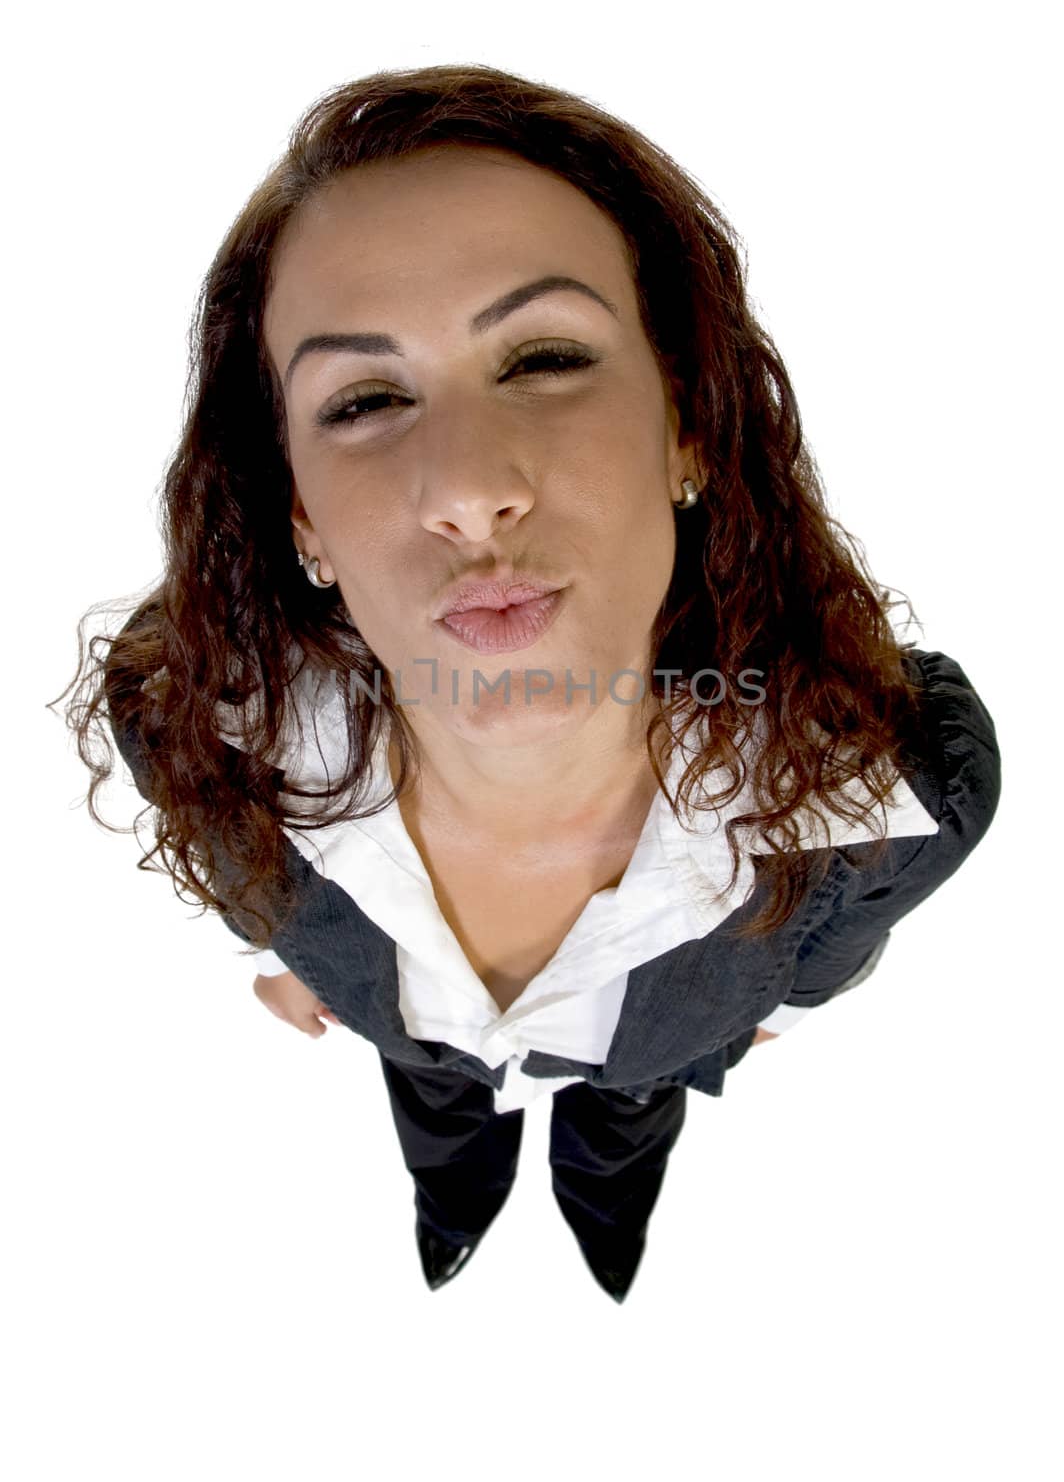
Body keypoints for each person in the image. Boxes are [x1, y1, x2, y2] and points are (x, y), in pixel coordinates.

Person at [53, 63, 1002, 1303]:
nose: (466, 490)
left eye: (545, 356)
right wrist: (285, 945)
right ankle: (451, 1216)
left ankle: (609, 1230)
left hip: (654, 1055)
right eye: (367, 398)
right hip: (410, 1038)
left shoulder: (890, 782)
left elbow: (843, 935)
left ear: (683, 427)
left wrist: (777, 1004)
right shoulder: (196, 716)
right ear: (305, 521)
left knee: (628, 1124)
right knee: (438, 1107)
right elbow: (229, 849)